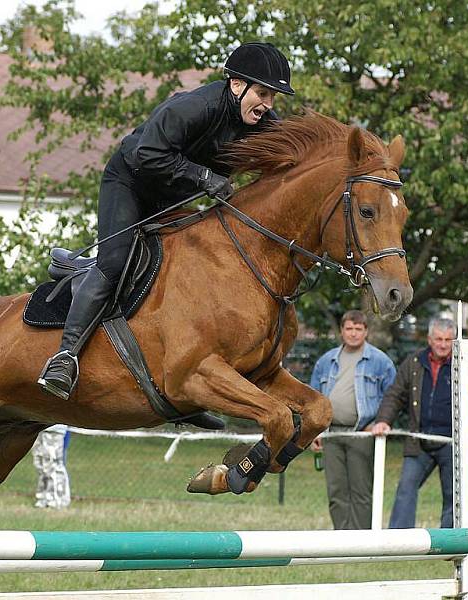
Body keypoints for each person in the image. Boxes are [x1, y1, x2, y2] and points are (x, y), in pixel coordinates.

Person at [38, 42, 296, 401]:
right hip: (131, 181)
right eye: (264, 93)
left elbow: (292, 154)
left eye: (273, 97)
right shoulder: (193, 108)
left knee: (190, 267)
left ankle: (185, 385)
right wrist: (206, 178)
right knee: (115, 264)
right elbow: (149, 155)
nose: (268, 105)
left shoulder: (261, 122)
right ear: (237, 85)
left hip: (174, 194)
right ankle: (64, 358)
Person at [309, 310, 396, 529]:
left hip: (362, 433)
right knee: (336, 489)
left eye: (358, 329)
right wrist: (314, 432)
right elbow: (313, 399)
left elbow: (393, 398)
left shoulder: (380, 361)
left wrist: (380, 422)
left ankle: (361, 539)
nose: (354, 334)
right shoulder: (326, 361)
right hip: (331, 434)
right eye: (349, 328)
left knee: (361, 489)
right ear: (341, 331)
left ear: (366, 331)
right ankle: (341, 537)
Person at [372, 317, 456, 528]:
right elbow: (395, 394)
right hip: (419, 439)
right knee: (406, 488)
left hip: (452, 442)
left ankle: (451, 544)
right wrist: (383, 420)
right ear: (429, 339)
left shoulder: (463, 365)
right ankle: (399, 541)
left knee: (453, 494)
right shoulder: (414, 362)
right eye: (439, 339)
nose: (443, 344)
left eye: (448, 340)